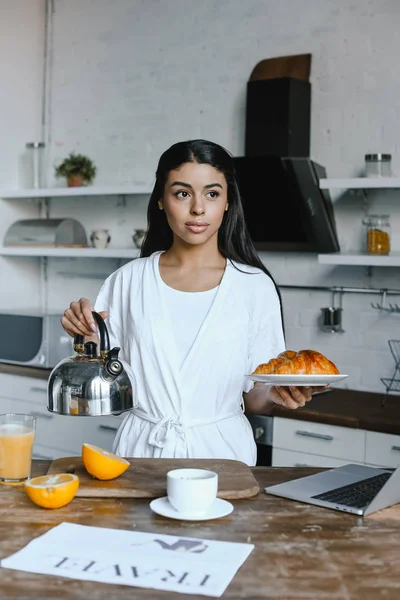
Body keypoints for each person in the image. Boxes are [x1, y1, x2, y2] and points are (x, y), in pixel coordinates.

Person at [61, 139, 315, 466]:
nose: (198, 208)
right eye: (182, 193)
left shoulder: (255, 287)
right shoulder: (127, 281)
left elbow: (254, 399)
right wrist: (87, 339)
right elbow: (105, 380)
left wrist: (277, 396)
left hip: (224, 457)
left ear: (227, 202)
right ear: (161, 201)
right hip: (141, 454)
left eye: (212, 194)